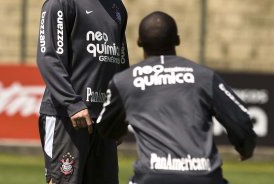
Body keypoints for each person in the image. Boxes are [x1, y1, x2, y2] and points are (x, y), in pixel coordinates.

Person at [96, 11, 256, 184]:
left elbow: (106, 127)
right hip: (204, 177)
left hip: (152, 177)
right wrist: (245, 148)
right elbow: (241, 120)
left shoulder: (125, 81)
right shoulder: (204, 76)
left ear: (139, 42)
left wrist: (119, 130)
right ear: (177, 40)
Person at [36, 0, 129, 183]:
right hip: (68, 117)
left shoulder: (117, 7)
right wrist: (72, 103)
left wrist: (119, 113)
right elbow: (49, 57)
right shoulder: (60, 3)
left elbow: (121, 62)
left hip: (103, 120)